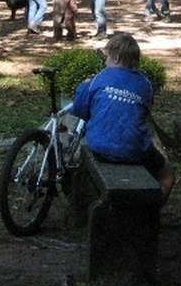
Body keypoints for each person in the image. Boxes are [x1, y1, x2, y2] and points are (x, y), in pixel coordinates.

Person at [69, 32, 175, 201]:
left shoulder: (98, 78)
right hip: (135, 149)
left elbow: (79, 111)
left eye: (106, 58)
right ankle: (152, 211)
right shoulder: (145, 84)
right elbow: (143, 113)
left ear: (116, 58)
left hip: (100, 147)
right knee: (168, 175)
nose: (105, 62)